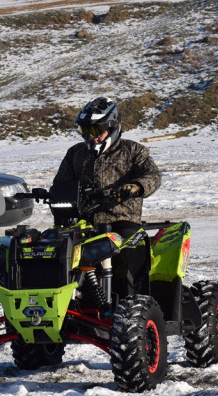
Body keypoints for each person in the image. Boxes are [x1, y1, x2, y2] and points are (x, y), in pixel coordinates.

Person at [53, 96, 161, 296]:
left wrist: (136, 186)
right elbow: (61, 183)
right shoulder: (76, 153)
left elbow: (153, 176)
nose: (91, 137)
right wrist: (52, 194)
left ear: (112, 127)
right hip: (83, 222)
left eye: (96, 131)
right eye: (85, 131)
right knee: (53, 248)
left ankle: (137, 301)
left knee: (131, 247)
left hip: (121, 219)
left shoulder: (133, 151)